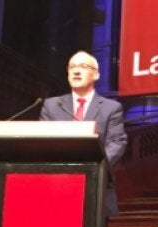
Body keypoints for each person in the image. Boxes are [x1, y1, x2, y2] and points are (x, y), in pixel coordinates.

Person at [40, 50, 127, 217]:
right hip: (58, 186)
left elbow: (117, 142)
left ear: (96, 74)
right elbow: (45, 142)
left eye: (83, 66)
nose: (76, 70)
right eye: (72, 67)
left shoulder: (111, 108)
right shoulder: (51, 106)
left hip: (95, 187)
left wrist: (93, 164)